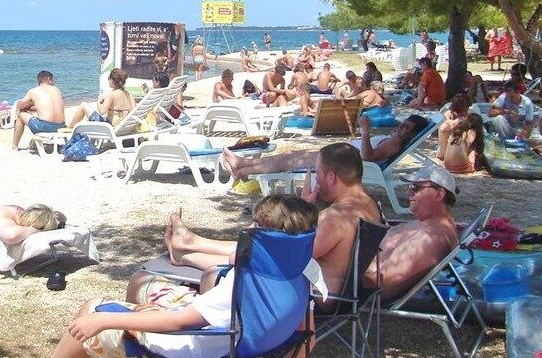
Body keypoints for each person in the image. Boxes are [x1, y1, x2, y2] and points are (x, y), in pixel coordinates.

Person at [14, 195, 319, 358]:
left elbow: (177, 322)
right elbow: (308, 335)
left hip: (203, 349)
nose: (248, 229)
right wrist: (183, 254)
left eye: (254, 224)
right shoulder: (303, 269)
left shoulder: (243, 287)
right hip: (244, 341)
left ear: (267, 238)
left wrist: (105, 320)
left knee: (94, 308)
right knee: (142, 282)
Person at [168, 144, 381, 297]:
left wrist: (293, 208)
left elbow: (288, 255)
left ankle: (186, 255)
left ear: (332, 177)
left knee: (251, 251)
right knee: (259, 245)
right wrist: (305, 208)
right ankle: (190, 242)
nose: (316, 179)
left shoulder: (337, 218)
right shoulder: (368, 205)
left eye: (318, 173)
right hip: (338, 289)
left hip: (314, 293)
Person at [221, 115, 428, 180]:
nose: (402, 126)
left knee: (288, 161)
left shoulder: (393, 144)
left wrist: (365, 131)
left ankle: (243, 170)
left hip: (343, 161)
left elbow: (368, 156)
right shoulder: (392, 140)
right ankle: (243, 166)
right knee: (289, 155)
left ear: (411, 133)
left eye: (407, 127)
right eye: (404, 122)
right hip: (341, 154)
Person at [365, 165, 460, 299]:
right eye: (410, 187)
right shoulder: (428, 226)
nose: (409, 192)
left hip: (356, 290)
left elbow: (378, 282)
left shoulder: (431, 239)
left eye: (417, 187)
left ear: (439, 194)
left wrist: (340, 270)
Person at [66, 68, 136, 130]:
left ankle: (70, 127)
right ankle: (70, 127)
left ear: (112, 80)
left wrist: (99, 102)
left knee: (83, 105)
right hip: (125, 126)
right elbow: (134, 109)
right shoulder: (129, 93)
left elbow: (102, 111)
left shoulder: (112, 94)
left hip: (108, 126)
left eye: (109, 78)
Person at [12, 70, 67, 149]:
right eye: (53, 80)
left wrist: (25, 108)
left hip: (44, 127)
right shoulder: (57, 90)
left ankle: (15, 145)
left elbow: (19, 105)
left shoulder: (34, 91)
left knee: (21, 114)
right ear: (48, 79)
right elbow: (48, 107)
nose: (54, 82)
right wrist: (32, 107)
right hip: (61, 127)